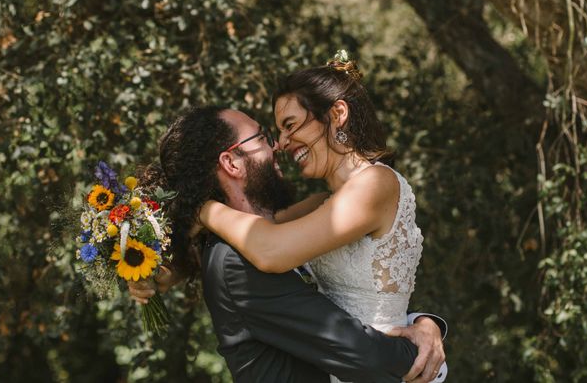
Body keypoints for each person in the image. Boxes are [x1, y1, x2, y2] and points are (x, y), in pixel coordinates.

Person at [131, 105, 446, 383]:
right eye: (263, 137)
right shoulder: (235, 262)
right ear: (231, 163)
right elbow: (366, 357)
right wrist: (419, 348)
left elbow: (353, 298)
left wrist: (423, 322)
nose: (277, 146)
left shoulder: (280, 233)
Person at [195, 54, 442, 383]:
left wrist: (201, 208)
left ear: (337, 114)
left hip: (390, 368)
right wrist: (159, 269)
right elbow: (252, 234)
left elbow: (270, 250)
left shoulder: (376, 184)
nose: (281, 143)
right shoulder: (321, 205)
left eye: (291, 125)